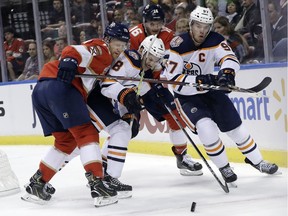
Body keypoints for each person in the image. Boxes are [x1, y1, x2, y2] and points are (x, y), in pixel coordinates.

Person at [165, 6, 279, 184]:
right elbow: (173, 78)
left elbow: (230, 59)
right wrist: (200, 79)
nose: (202, 30)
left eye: (206, 26)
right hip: (187, 96)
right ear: (191, 25)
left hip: (211, 90)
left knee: (236, 129)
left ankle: (257, 161)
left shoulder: (216, 39)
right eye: (198, 26)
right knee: (206, 128)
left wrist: (227, 74)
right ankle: (224, 166)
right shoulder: (178, 44)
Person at [22, 35, 119, 207]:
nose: (121, 48)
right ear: (109, 40)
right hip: (61, 88)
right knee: (86, 133)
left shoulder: (106, 62)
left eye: (125, 44)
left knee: (65, 141)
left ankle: (38, 183)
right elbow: (75, 50)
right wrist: (70, 58)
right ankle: (98, 184)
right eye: (119, 43)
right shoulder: (103, 49)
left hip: (41, 91)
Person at [129, 4, 203, 176]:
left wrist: (160, 75)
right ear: (144, 21)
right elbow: (129, 62)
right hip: (133, 83)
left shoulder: (168, 35)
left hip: (153, 82)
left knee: (176, 117)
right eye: (151, 23)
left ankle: (182, 157)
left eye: (158, 23)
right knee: (125, 127)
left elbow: (169, 61)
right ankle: (102, 168)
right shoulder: (134, 35)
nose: (155, 27)